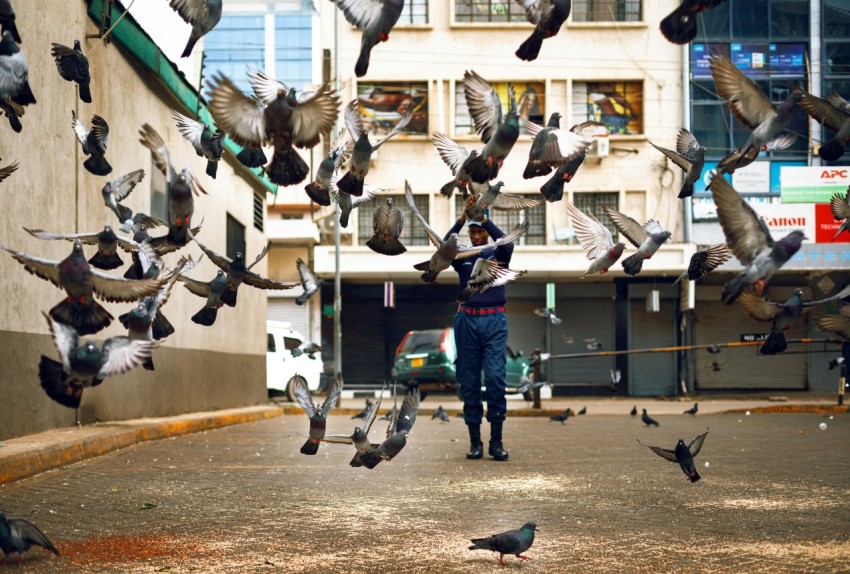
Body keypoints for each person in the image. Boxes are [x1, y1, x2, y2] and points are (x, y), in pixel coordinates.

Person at [445, 197, 517, 461]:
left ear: (486, 231)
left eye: (480, 231)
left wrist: (485, 218)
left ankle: (496, 442)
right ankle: (475, 442)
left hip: (494, 321)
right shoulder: (462, 254)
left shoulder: (497, 254)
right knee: (469, 380)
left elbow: (508, 243)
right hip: (467, 321)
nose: (476, 236)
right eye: (472, 232)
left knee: (496, 379)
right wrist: (463, 218)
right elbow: (444, 246)